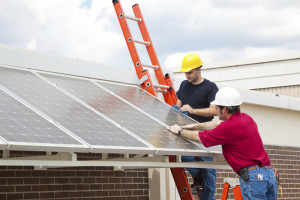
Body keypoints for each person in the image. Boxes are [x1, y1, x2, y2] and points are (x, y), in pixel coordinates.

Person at [168, 87, 278, 200]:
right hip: (269, 175)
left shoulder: (229, 128)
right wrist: (195, 126)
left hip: (254, 179)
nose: (215, 110)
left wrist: (180, 131)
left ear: (224, 109)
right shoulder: (246, 118)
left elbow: (200, 138)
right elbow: (217, 124)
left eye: (216, 107)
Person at [176, 53, 218, 199]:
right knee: (184, 159)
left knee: (209, 169)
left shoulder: (210, 87)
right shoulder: (183, 85)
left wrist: (193, 110)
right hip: (186, 132)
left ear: (199, 69)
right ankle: (199, 178)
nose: (187, 75)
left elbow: (214, 110)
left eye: (190, 72)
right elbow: (177, 106)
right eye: (185, 72)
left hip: (203, 133)